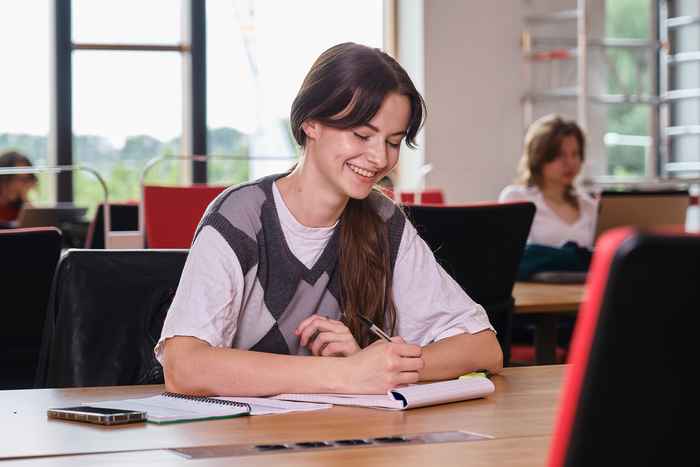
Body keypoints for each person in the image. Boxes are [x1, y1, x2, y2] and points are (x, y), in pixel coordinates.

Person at [157, 42, 503, 397]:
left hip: (345, 441)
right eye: (363, 135)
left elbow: (483, 347)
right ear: (311, 123)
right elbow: (183, 367)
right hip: (244, 446)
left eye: (394, 142)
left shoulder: (382, 219)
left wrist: (383, 366)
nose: (379, 157)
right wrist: (343, 374)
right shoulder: (240, 216)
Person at [499, 114, 598, 252]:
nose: (570, 163)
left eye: (575, 154)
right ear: (539, 157)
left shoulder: (590, 206)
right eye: (560, 155)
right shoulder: (517, 198)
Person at [0, 150, 38, 227]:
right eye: (15, 178)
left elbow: (35, 225)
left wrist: (25, 198)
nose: (20, 185)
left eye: (26, 179)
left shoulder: (21, 208)